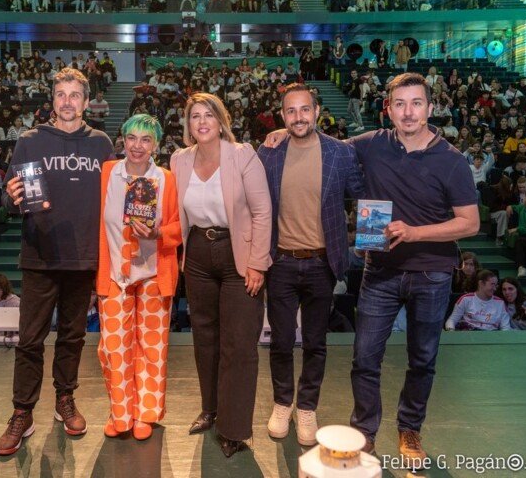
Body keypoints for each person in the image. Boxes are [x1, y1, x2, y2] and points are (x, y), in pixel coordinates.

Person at [263, 73, 478, 458]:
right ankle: (365, 431)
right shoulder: (370, 144)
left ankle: (410, 430)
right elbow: (316, 143)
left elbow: (470, 223)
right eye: (400, 104)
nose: (408, 112)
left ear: (430, 108)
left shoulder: (453, 160)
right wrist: (284, 131)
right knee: (364, 359)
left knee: (423, 359)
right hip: (379, 270)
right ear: (389, 109)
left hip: (432, 272)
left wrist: (414, 233)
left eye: (416, 103)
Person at [0, 68, 114, 456]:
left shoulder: (101, 143)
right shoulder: (30, 141)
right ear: (52, 100)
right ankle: (22, 412)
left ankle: (66, 399)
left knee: (72, 337)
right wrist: (10, 196)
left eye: (74, 95)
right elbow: (8, 200)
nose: (67, 101)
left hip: (83, 258)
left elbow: (114, 199)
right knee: (30, 340)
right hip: (40, 257)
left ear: (86, 100)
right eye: (61, 94)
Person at [256, 84, 364, 447]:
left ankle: (307, 407)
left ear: (317, 111)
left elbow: (363, 197)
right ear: (282, 115)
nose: (298, 117)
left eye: (305, 110)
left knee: (316, 343)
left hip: (322, 262)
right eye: (291, 111)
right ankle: (282, 403)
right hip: (281, 261)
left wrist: (372, 242)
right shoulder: (268, 151)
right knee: (282, 342)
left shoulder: (340, 153)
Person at [169, 93, 272, 457]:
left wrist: (257, 263)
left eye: (208, 114)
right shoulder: (179, 160)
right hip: (197, 253)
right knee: (205, 339)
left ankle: (234, 428)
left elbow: (262, 212)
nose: (201, 121)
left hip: (238, 254)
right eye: (194, 116)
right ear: (188, 124)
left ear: (220, 119)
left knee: (239, 344)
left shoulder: (242, 154)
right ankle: (210, 410)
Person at [95, 114, 182, 441]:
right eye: (132, 137)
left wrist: (159, 232)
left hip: (153, 274)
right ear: (123, 140)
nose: (137, 145)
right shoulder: (107, 173)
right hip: (115, 272)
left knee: (152, 347)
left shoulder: (167, 179)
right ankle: (121, 412)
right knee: (114, 348)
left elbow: (179, 228)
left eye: (145, 139)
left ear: (156, 145)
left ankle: (146, 414)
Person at [445, 270, 511, 331]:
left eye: (496, 285)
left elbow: (505, 327)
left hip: (492, 337)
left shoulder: (500, 303)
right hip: (468, 335)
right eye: (492, 284)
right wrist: (451, 331)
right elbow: (452, 320)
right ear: (481, 283)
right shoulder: (465, 299)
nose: (495, 288)